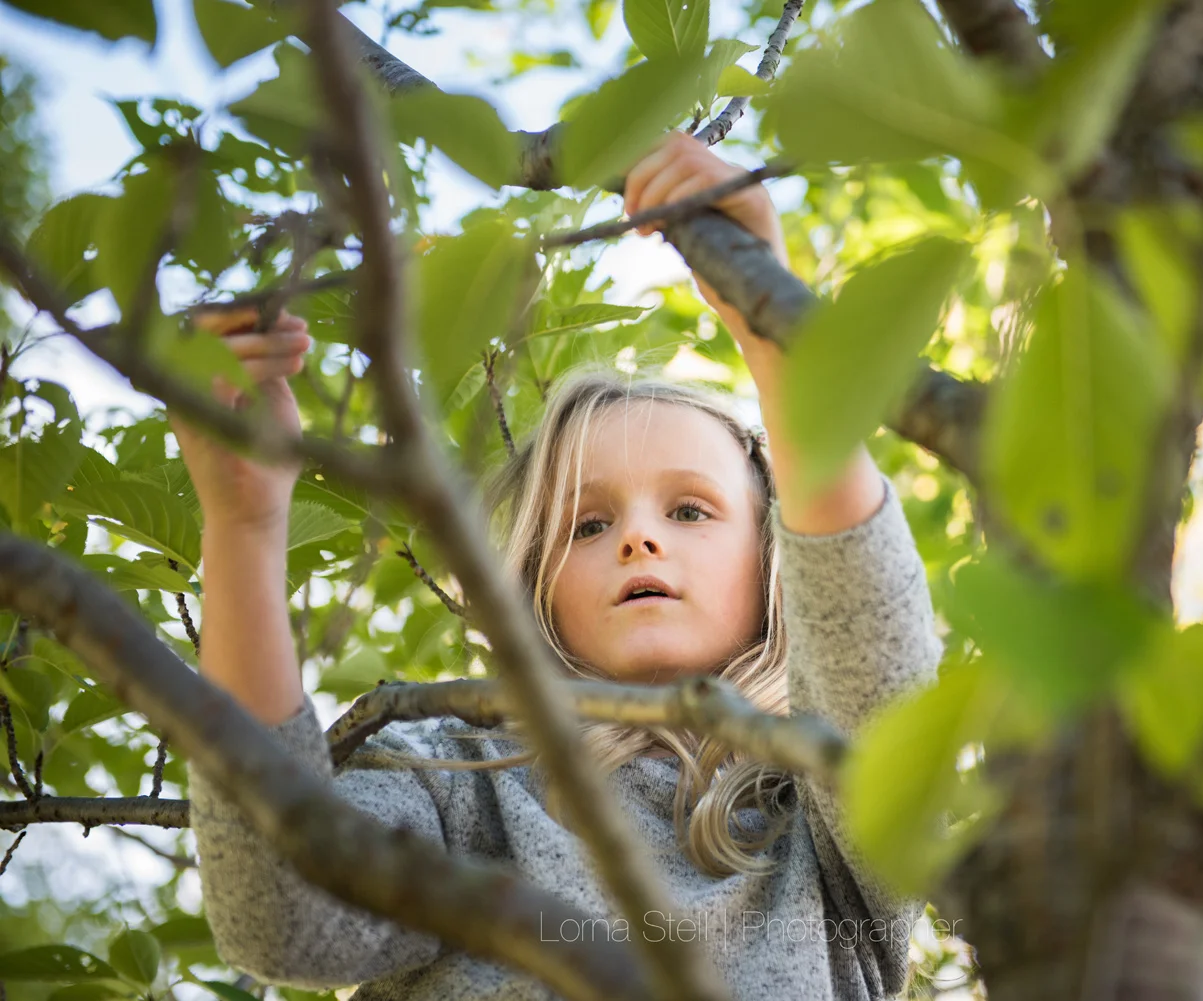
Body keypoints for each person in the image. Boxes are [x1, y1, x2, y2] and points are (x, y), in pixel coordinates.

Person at [175, 130, 943, 1001]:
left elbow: (870, 640)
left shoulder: (825, 828)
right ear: (539, 589)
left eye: (690, 509)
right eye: (586, 524)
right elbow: (282, 911)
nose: (639, 540)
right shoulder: (455, 776)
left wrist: (776, 335)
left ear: (776, 560)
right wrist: (241, 524)